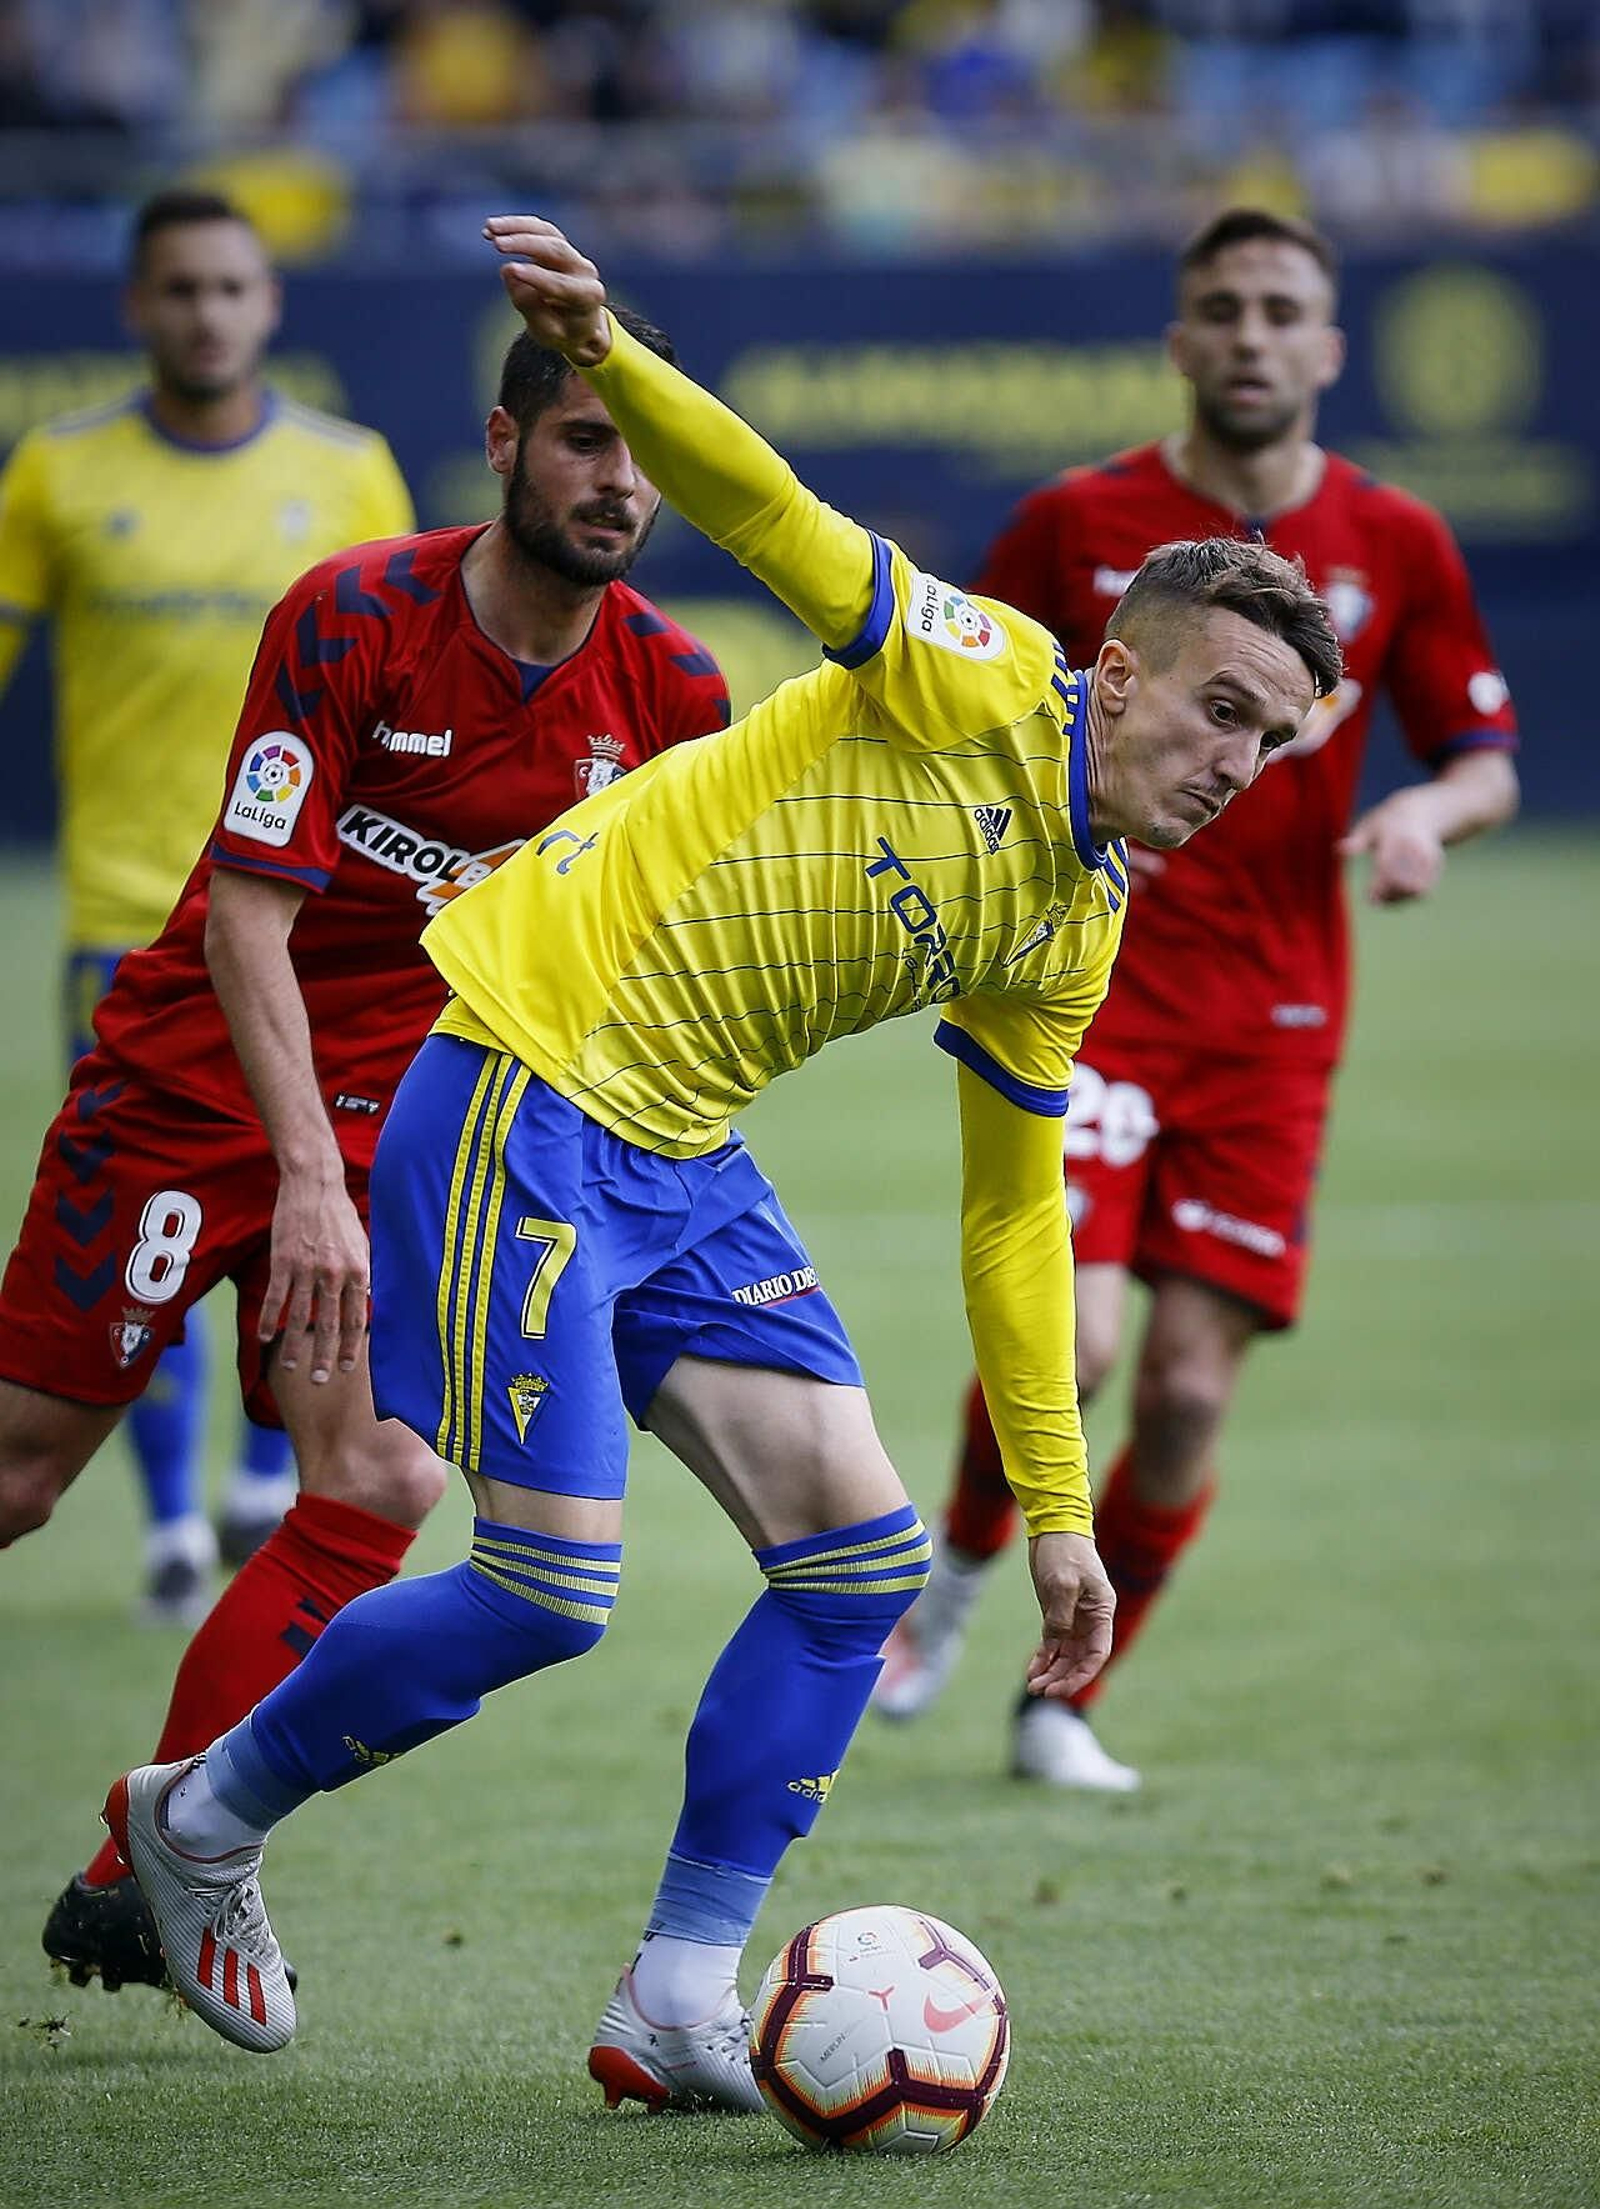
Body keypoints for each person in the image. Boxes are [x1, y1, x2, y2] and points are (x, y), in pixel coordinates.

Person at [103, 214, 1341, 2104]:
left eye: (1273, 741)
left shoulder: (1077, 916)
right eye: (1221, 710)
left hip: (680, 1153)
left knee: (856, 1569)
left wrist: (1060, 1511)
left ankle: (679, 1994)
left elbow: (1013, 1209)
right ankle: (198, 1818)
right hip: (524, 1080)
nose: (1238, 762)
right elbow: (772, 513)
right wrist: (611, 351)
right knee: (548, 1592)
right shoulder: (979, 673)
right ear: (1116, 673)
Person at [2, 303, 730, 1994]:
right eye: (586, 443)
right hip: (194, 1081)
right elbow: (246, 920)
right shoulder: (355, 614)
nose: (619, 487)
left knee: (380, 1478)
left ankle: (147, 1866)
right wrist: (307, 1183)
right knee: (23, 1476)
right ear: (505, 445)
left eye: (647, 459)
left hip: (400, 1118)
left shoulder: (675, 689)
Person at [872, 207, 1519, 1788]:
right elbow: (968, 702)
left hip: (1277, 1021)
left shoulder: (1397, 540)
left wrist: (1424, 817)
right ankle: (953, 1585)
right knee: (1081, 1339)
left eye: (1281, 309)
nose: (1250, 334)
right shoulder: (1078, 521)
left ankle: (1062, 1706)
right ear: (1179, 340)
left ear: (1329, 347)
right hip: (1089, 991)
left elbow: (1484, 757)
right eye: (1222, 307)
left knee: (1182, 1395)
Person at [0, 188, 415, 1621]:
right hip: (128, 911)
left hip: (313, 925)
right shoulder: (56, 474)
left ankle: (251, 1479)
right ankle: (175, 1518)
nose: (207, 314)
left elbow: (410, 682)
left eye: (231, 288)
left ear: (270, 305)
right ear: (137, 306)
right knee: (149, 1216)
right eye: (180, 289)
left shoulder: (349, 473)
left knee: (313, 1202)